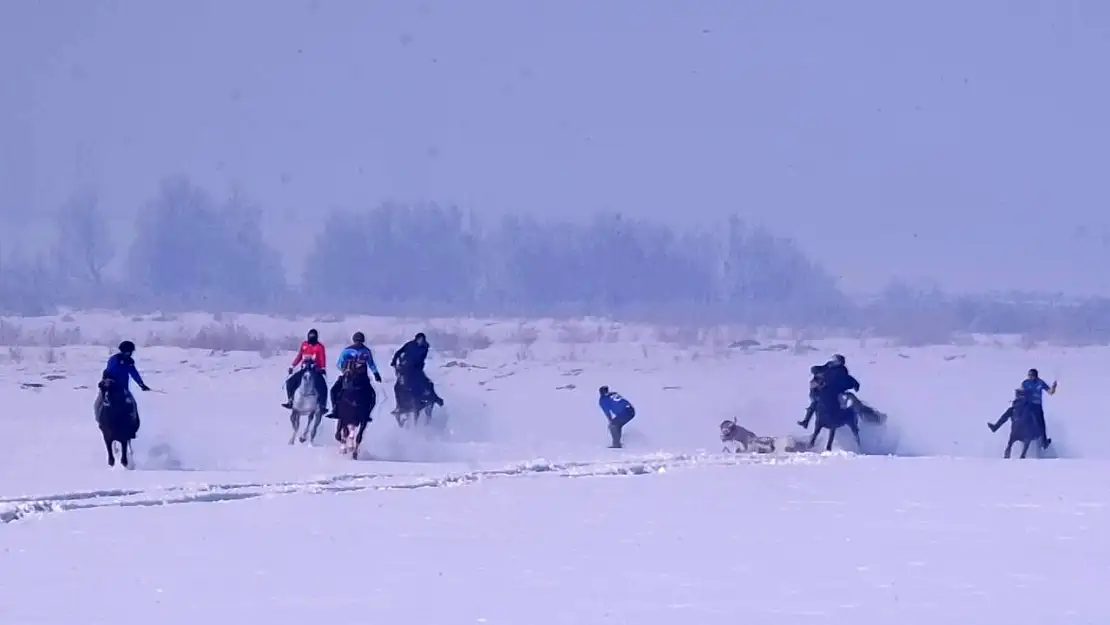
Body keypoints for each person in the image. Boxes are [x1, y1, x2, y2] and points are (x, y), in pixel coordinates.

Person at [99, 340, 151, 430]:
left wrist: (141, 384)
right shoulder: (114, 359)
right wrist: (108, 380)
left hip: (123, 388)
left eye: (130, 352)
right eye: (127, 352)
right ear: (122, 351)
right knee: (99, 402)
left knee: (132, 403)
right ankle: (100, 420)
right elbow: (108, 370)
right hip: (110, 386)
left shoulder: (130, 362)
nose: (129, 354)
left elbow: (134, 373)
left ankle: (134, 425)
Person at [327, 332, 382, 415]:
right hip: (350, 376)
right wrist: (344, 370)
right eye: (357, 341)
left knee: (372, 395)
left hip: (361, 377)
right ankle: (334, 409)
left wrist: (376, 374)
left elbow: (371, 363)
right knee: (333, 390)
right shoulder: (349, 351)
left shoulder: (364, 351)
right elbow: (339, 363)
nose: (358, 343)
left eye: (360, 341)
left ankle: (367, 413)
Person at [282, 329, 328, 410]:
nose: (311, 338)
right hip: (304, 369)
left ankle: (322, 405)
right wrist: (292, 366)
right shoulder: (304, 344)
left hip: (315, 370)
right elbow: (299, 356)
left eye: (313, 337)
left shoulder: (320, 347)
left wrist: (323, 368)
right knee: (290, 382)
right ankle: (290, 400)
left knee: (323, 387)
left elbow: (322, 358)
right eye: (310, 336)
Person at [1020, 368, 1057, 448]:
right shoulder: (1025, 383)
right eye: (1029, 375)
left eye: (1031, 375)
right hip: (1026, 405)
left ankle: (1044, 442)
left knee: (1041, 424)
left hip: (1037, 406)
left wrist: (1053, 387)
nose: (1030, 377)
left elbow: (1050, 392)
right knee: (1012, 413)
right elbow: (1021, 392)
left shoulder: (1040, 383)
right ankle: (997, 426)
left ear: (1035, 376)